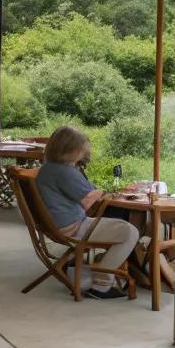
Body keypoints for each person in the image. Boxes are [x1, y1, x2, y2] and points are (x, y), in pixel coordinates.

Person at [36, 126, 140, 301]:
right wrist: (114, 192)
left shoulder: (47, 169)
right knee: (130, 232)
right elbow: (89, 197)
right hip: (72, 227)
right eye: (81, 151)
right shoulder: (65, 172)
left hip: (57, 226)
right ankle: (102, 284)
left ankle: (99, 272)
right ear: (71, 150)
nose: (83, 155)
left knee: (121, 225)